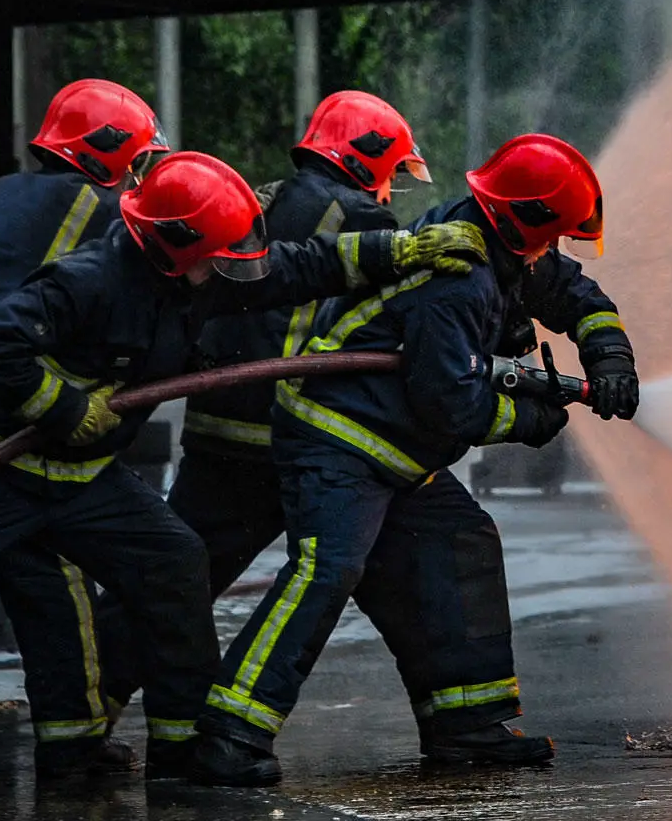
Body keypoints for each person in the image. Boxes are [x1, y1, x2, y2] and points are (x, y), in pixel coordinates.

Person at [0, 151, 489, 779]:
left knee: (174, 561)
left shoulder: (196, 278)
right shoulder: (87, 279)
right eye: (218, 253)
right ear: (174, 244)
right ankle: (79, 740)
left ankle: (174, 744)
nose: (230, 268)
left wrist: (401, 248)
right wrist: (63, 407)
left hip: (80, 478)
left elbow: (302, 265)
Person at [97, 91, 536, 771]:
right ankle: (452, 725)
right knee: (419, 556)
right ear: (369, 163)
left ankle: (84, 711)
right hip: (305, 434)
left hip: (224, 433)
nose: (391, 186)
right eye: (391, 170)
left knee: (176, 580)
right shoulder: (361, 215)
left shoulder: (265, 200)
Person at [192, 134, 639, 787]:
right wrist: (532, 420)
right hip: (339, 440)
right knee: (327, 570)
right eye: (554, 235)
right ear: (523, 221)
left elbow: (577, 296)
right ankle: (230, 734)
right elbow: (450, 405)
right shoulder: (457, 276)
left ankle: (468, 728)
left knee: (459, 542)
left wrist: (610, 357)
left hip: (398, 455)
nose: (554, 249)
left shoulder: (508, 251)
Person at [0, 79, 167, 777]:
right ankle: (73, 741)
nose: (138, 173)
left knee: (42, 566)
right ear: (114, 152)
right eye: (138, 158)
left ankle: (74, 739)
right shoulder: (101, 213)